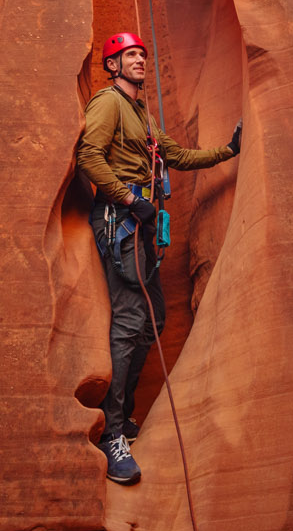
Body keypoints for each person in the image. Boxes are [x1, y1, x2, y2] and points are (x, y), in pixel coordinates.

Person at [74, 32, 242, 484]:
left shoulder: (143, 114)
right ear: (112, 65)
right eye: (130, 56)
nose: (140, 61)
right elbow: (88, 155)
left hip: (141, 225)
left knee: (152, 321)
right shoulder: (108, 103)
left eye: (142, 56)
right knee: (130, 321)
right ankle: (113, 435)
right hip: (120, 220)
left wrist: (230, 150)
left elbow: (178, 156)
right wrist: (129, 200)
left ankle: (123, 413)